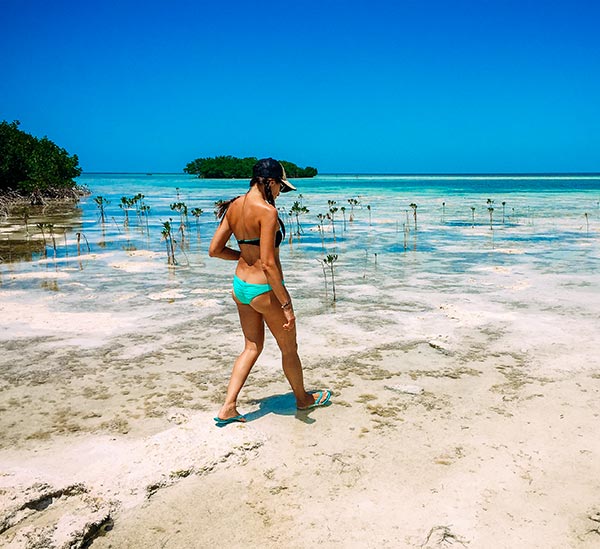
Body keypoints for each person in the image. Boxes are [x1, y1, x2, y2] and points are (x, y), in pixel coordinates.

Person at [208, 158, 331, 425]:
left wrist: (243, 254)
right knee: (289, 348)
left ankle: (228, 407)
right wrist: (286, 305)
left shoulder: (234, 206)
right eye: (280, 189)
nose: (279, 195)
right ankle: (302, 399)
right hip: (263, 289)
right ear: (270, 182)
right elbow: (268, 263)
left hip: (240, 286)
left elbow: (215, 250)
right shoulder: (266, 211)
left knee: (251, 347)